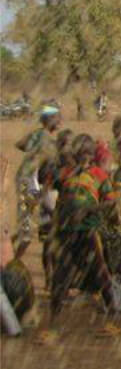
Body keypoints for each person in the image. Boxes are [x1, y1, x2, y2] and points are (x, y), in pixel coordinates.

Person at [47, 135, 118, 331]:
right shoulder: (67, 174)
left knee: (101, 273)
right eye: (80, 153)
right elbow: (51, 185)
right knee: (59, 277)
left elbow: (111, 203)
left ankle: (113, 319)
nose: (83, 157)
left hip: (88, 230)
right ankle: (53, 324)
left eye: (87, 153)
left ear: (92, 155)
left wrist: (87, 211)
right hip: (66, 231)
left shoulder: (100, 175)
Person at [12, 104, 62, 263]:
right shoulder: (49, 142)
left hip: (23, 178)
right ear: (50, 120)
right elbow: (49, 173)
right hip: (31, 182)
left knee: (26, 225)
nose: (60, 121)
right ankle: (10, 262)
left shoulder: (37, 134)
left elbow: (19, 144)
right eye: (58, 118)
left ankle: (10, 253)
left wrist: (32, 153)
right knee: (28, 233)